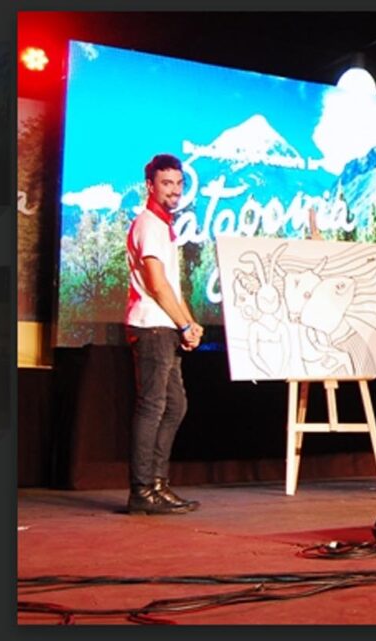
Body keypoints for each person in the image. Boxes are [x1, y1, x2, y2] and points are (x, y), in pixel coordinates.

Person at [124, 153, 204, 515]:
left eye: (178, 183)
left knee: (175, 405)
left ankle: (158, 485)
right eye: (166, 183)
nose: (174, 190)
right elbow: (156, 284)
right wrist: (183, 325)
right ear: (151, 186)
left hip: (165, 325)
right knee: (153, 406)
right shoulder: (148, 224)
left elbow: (172, 286)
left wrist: (190, 323)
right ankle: (143, 489)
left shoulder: (162, 224)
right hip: (152, 326)